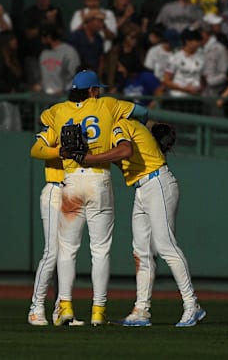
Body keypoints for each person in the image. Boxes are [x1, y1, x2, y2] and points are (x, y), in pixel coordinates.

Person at [40, 70, 144, 327]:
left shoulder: (59, 110)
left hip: (72, 180)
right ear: (92, 90)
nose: (100, 91)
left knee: (67, 249)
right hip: (99, 178)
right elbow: (142, 113)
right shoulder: (108, 105)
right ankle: (98, 311)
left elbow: (43, 119)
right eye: (98, 88)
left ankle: (64, 306)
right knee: (100, 250)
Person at [78, 119, 206, 327]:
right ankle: (141, 310)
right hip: (142, 188)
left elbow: (125, 150)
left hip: (157, 183)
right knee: (141, 252)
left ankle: (192, 305)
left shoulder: (120, 125)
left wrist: (89, 157)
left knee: (166, 246)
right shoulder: (118, 134)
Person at [26, 125, 65, 326]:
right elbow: (36, 149)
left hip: (76, 193)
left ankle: (62, 309)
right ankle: (36, 308)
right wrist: (60, 150)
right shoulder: (56, 125)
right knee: (52, 253)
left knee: (67, 256)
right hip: (55, 190)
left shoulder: (89, 126)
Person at [21, 0, 65, 87]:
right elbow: (28, 34)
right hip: (34, 57)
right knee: (36, 87)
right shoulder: (29, 13)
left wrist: (53, 22)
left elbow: (60, 34)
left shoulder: (55, 12)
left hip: (54, 58)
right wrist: (45, 22)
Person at [161, 28, 206, 114]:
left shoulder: (202, 57)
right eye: (195, 41)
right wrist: (184, 89)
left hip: (195, 99)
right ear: (188, 41)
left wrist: (200, 88)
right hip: (177, 99)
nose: (198, 43)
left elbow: (203, 78)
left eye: (198, 41)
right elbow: (166, 81)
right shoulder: (175, 57)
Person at [0, 31, 24, 131]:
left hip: (14, 102)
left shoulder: (15, 60)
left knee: (16, 130)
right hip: (3, 102)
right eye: (12, 40)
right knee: (5, 130)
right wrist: (9, 90)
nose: (15, 42)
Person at [37, 24, 80, 96]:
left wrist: (65, 90)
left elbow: (76, 76)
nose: (41, 41)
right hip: (46, 98)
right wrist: (41, 86)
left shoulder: (69, 52)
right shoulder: (43, 54)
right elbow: (44, 77)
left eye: (42, 38)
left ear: (49, 37)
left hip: (64, 98)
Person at [103, 22, 145, 88]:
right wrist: (111, 87)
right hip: (116, 85)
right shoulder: (115, 51)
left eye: (137, 37)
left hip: (134, 84)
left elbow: (141, 70)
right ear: (125, 37)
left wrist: (126, 72)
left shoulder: (138, 52)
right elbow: (110, 72)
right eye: (133, 37)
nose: (135, 40)